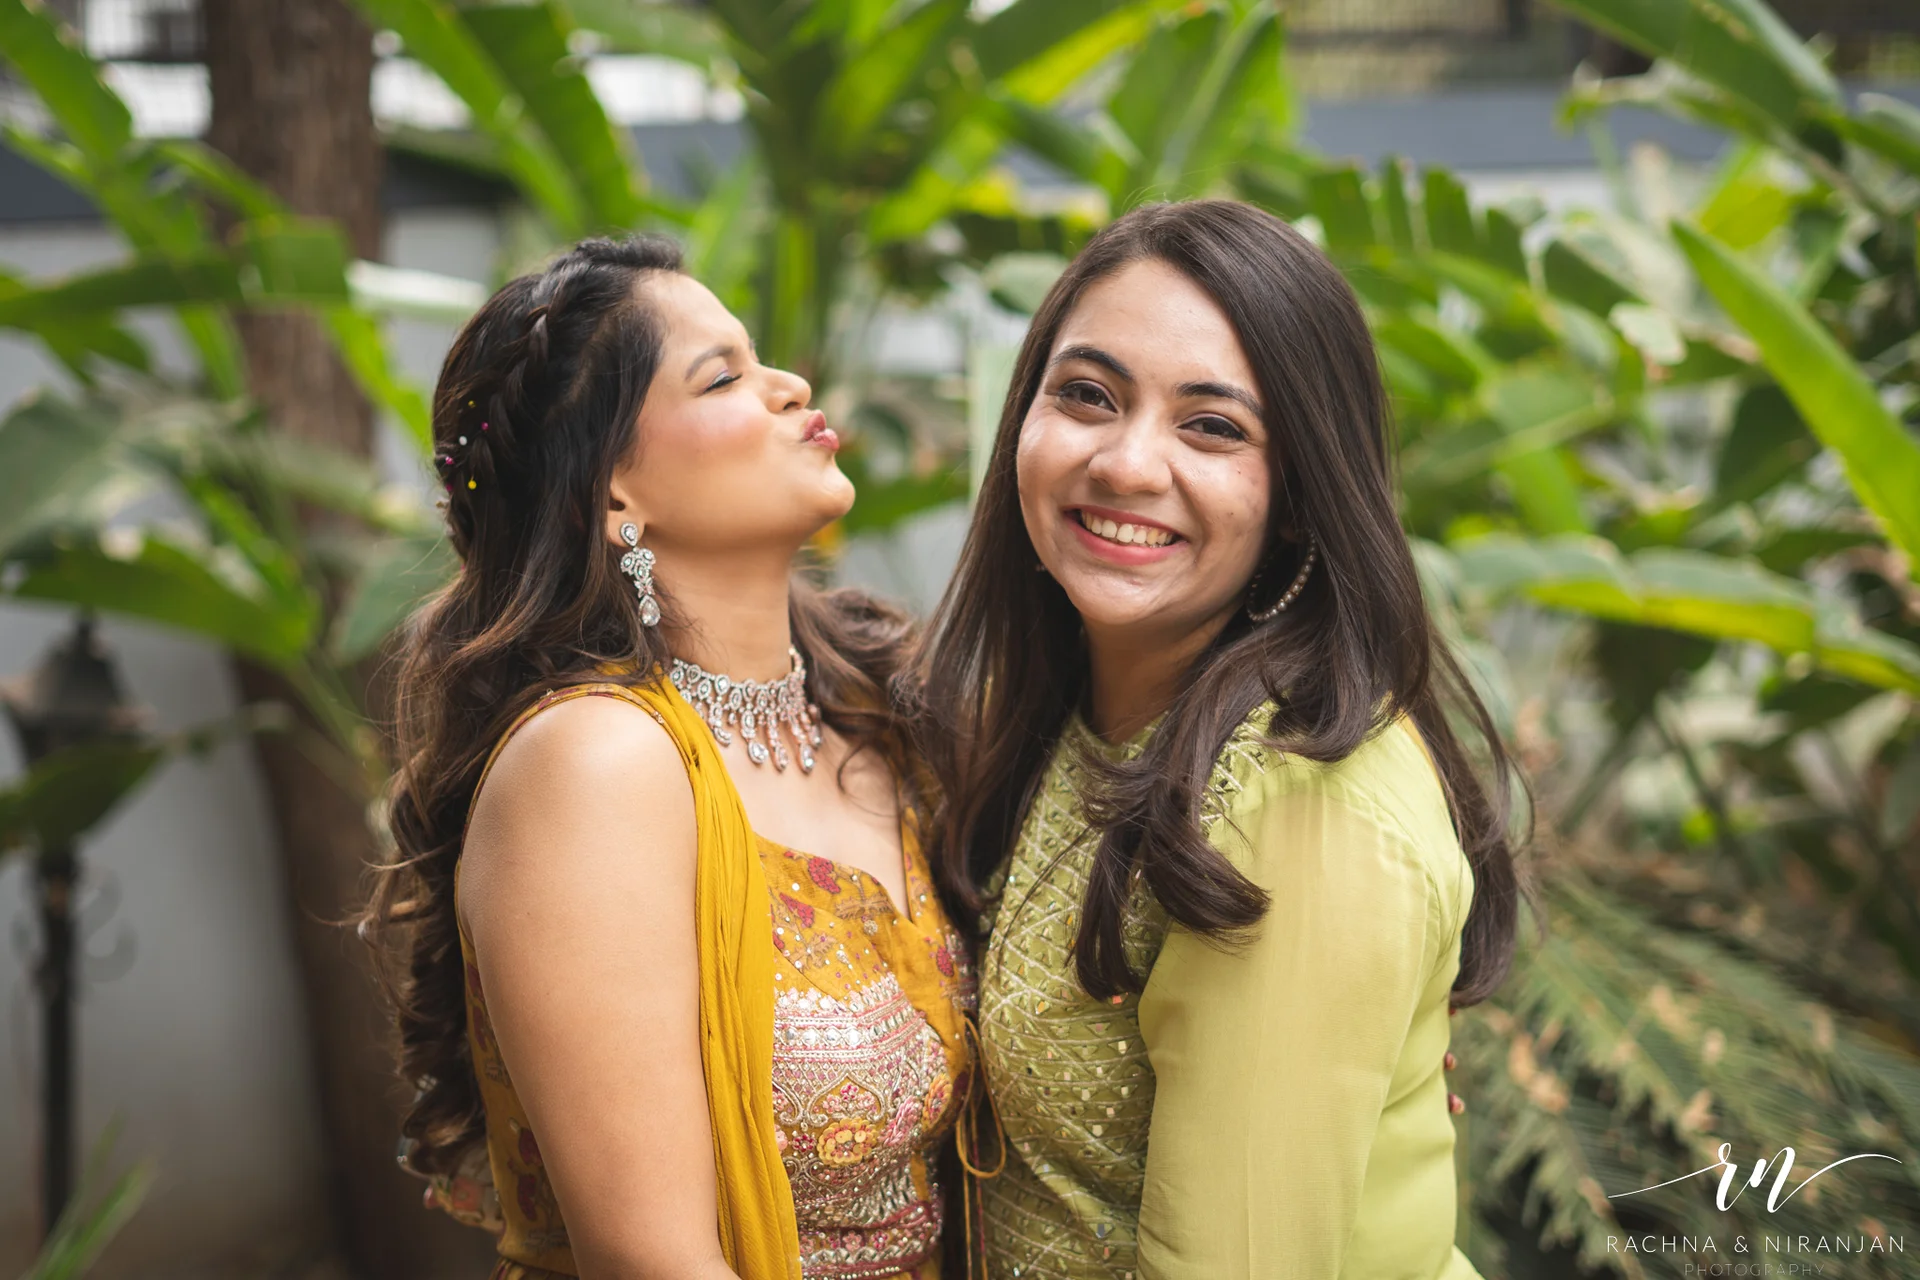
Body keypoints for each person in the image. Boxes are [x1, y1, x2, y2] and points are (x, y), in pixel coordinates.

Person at [915, 199, 1526, 1279]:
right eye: (1088, 396)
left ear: (1298, 497)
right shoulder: (1078, 708)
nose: (1127, 462)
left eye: (1213, 426)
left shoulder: (1300, 804)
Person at [363, 236, 976, 1280]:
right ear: (612, 497)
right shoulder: (594, 766)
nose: (790, 387)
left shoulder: (879, 722)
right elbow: (653, 1259)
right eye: (725, 375)